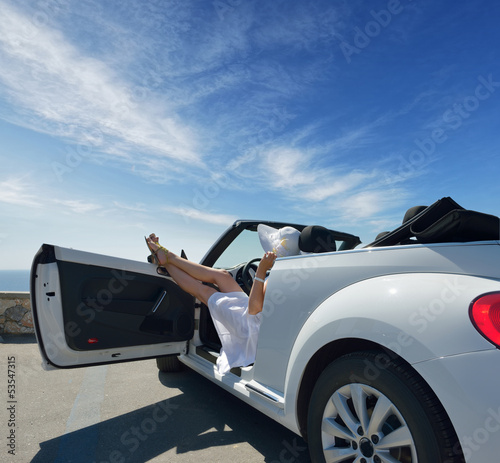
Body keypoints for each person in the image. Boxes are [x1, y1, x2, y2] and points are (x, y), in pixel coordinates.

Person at [145, 225, 301, 375]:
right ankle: (169, 257)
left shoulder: (275, 279)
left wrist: (260, 270)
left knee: (205, 291)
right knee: (223, 275)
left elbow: (254, 311)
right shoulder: (291, 273)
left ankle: (166, 263)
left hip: (250, 328)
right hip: (255, 317)